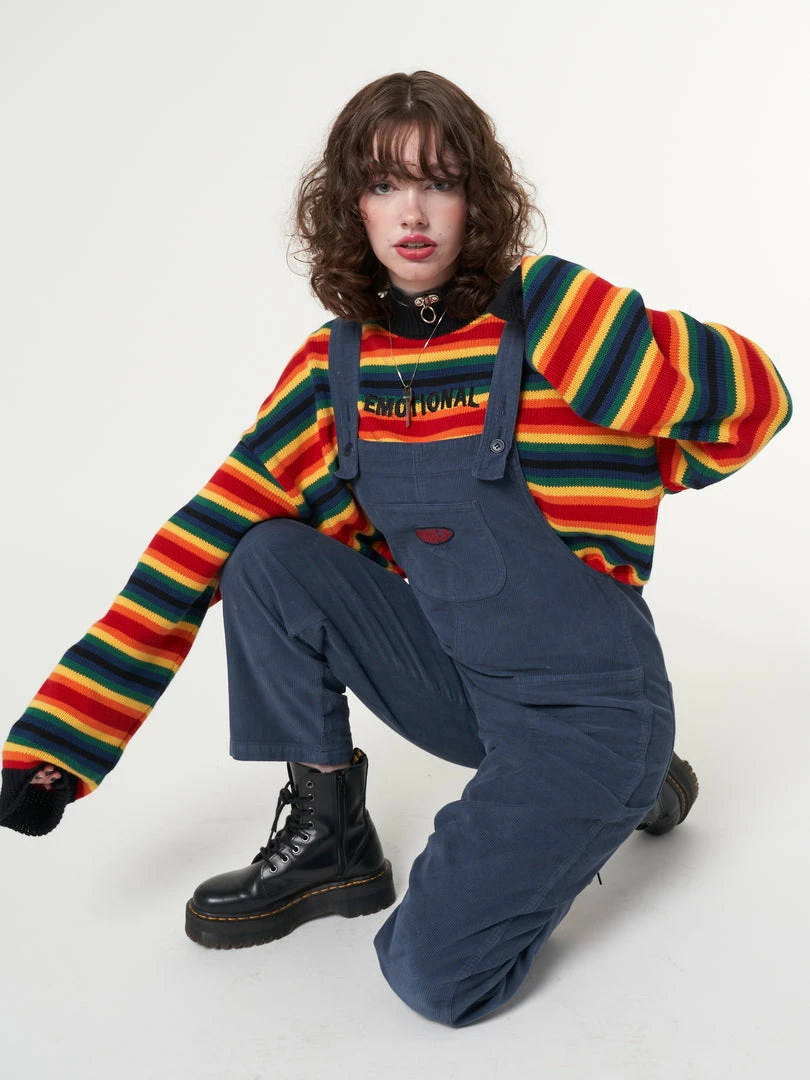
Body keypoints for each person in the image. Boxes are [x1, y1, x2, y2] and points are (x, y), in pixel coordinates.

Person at [1, 71, 791, 1027]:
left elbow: (760, 404)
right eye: (383, 185)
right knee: (264, 553)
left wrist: (600, 335)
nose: (411, 213)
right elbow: (196, 542)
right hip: (461, 684)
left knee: (432, 977)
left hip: (588, 708)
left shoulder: (555, 327)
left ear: (478, 198)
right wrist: (59, 741)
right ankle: (332, 841)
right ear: (351, 206)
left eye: (438, 182)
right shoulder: (336, 368)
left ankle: (615, 782)